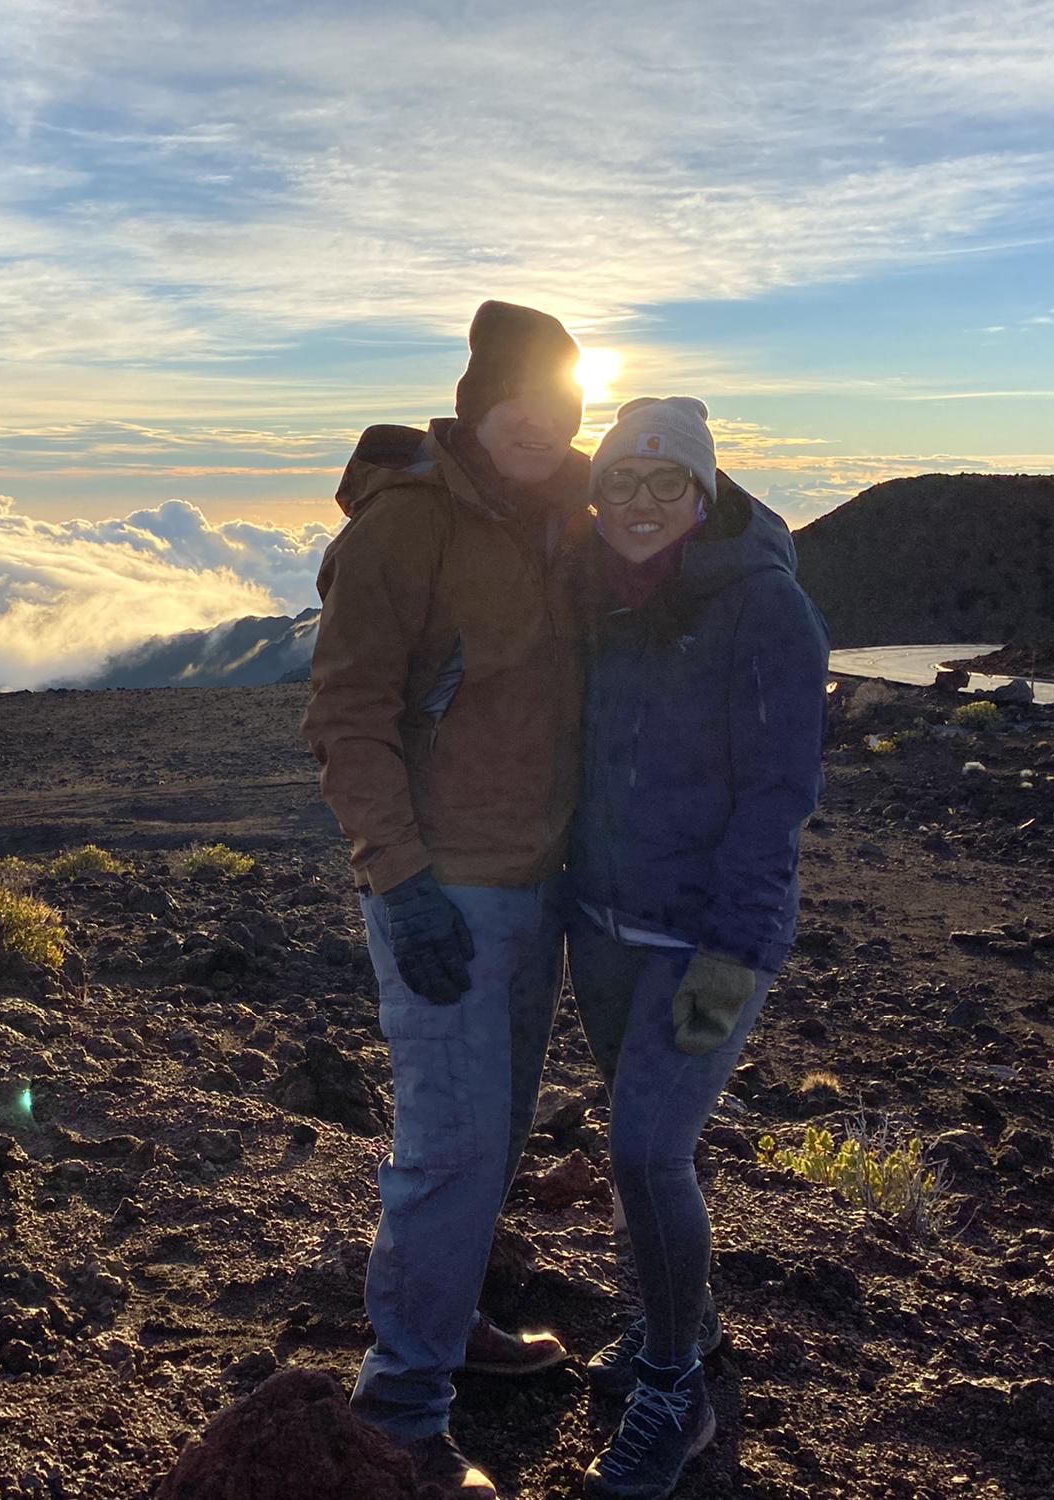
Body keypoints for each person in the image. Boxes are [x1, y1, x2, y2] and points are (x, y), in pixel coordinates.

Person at [302, 300, 595, 1497]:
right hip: (442, 890)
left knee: (499, 1136)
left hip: (541, 882)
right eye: (514, 407)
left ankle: (451, 1318)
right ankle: (404, 1409)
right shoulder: (406, 526)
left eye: (558, 408)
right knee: (451, 1145)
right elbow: (345, 715)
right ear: (476, 408)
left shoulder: (568, 517)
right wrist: (400, 880)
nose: (536, 428)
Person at [566, 397, 829, 1499]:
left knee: (643, 1151)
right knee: (636, 1143)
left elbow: (777, 799)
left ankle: (673, 1387)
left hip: (708, 938)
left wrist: (731, 951)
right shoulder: (599, 595)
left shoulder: (764, 607)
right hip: (604, 927)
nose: (636, 503)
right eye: (618, 482)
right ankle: (685, 1323)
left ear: (702, 493)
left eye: (661, 483)